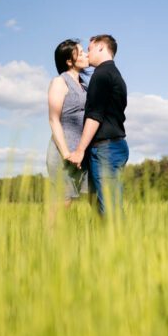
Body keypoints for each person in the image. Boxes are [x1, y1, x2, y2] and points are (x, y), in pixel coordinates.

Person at [68, 34, 128, 216]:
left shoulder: (101, 75)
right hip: (114, 147)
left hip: (105, 149)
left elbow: (95, 116)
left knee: (109, 209)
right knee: (107, 206)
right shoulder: (115, 75)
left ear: (101, 48)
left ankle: (116, 243)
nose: (87, 53)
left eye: (90, 48)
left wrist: (79, 150)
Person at [46, 39, 90, 211]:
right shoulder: (59, 82)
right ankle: (49, 238)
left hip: (80, 155)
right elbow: (53, 119)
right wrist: (66, 154)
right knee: (63, 204)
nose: (86, 54)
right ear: (69, 61)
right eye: (80, 53)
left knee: (93, 199)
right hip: (63, 154)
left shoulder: (85, 87)